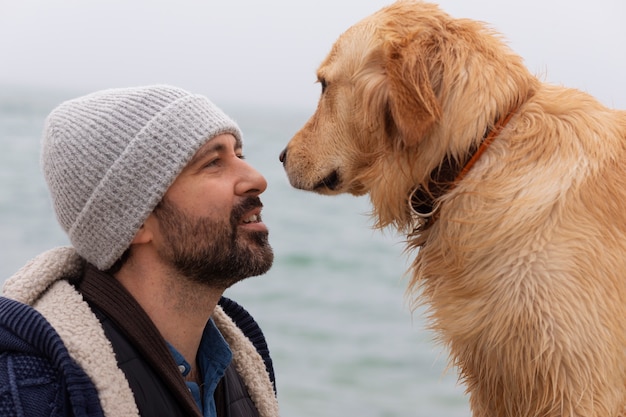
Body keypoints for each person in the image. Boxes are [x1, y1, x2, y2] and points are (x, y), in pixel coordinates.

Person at [0, 85, 280, 417]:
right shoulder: (34, 388)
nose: (256, 178)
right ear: (135, 221)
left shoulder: (244, 357)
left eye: (240, 155)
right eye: (213, 162)